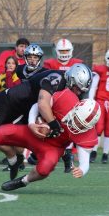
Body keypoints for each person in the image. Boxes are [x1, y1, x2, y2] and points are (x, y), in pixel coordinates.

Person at [0, 63, 93, 191]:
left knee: (27, 140)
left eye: (82, 91)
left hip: (27, 108)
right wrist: (54, 125)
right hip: (8, 103)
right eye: (77, 88)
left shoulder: (68, 89)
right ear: (71, 79)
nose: (78, 93)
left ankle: (17, 159)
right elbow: (43, 104)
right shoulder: (57, 78)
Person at [42, 38, 83, 172]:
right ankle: (48, 150)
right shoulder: (50, 63)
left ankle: (68, 152)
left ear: (71, 51)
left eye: (66, 50)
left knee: (69, 126)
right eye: (62, 51)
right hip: (53, 98)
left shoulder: (77, 63)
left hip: (70, 99)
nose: (64, 53)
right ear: (57, 52)